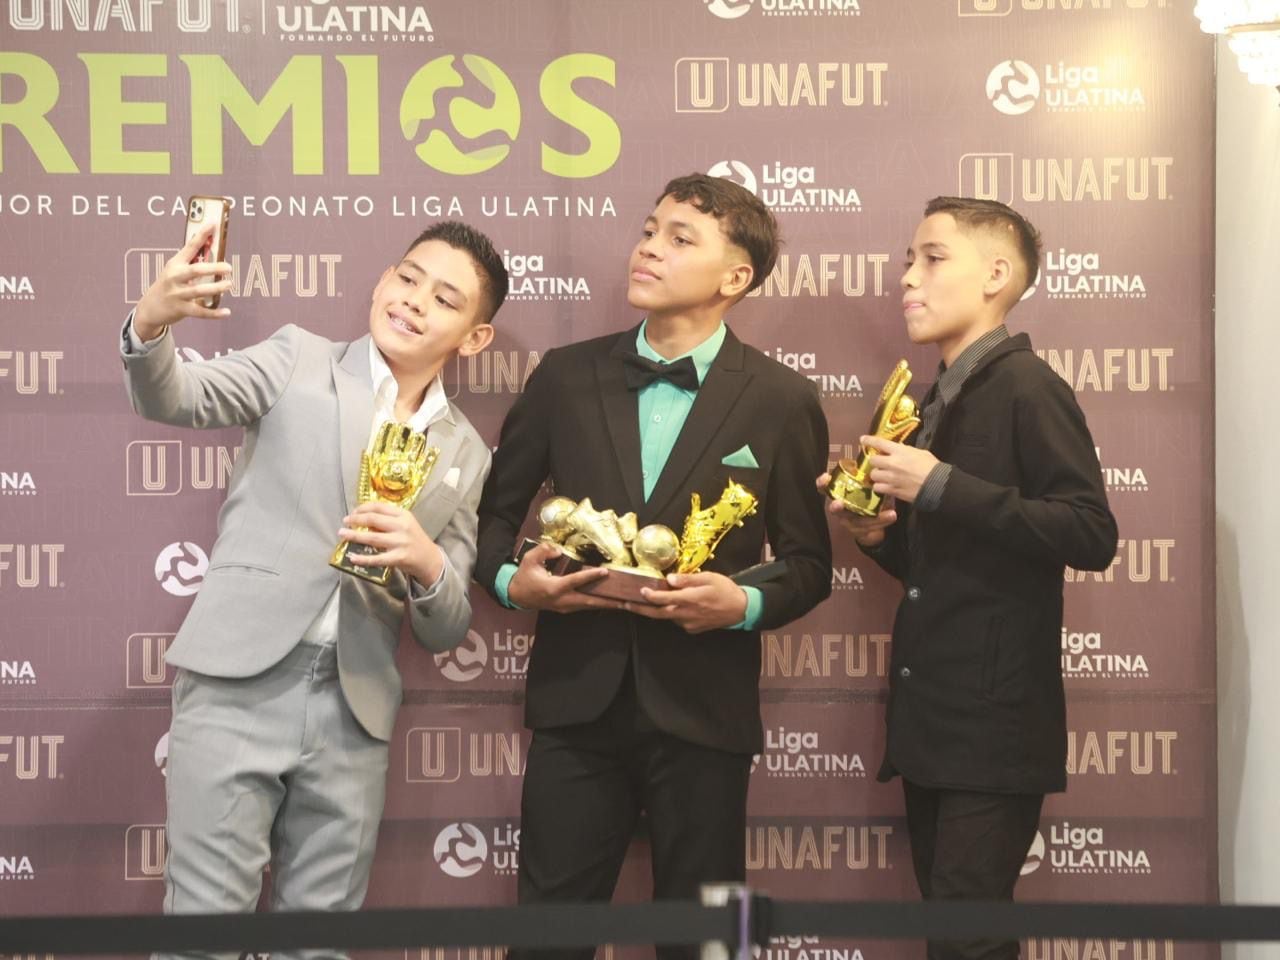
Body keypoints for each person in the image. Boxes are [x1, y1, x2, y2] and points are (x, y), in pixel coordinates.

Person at [121, 219, 506, 958]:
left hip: (353, 709)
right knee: (205, 929)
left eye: (445, 298)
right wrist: (153, 320)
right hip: (239, 682)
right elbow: (175, 397)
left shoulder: (464, 451)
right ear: (383, 279)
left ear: (474, 338)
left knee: (320, 940)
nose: (414, 301)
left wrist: (425, 564)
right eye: (407, 277)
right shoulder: (298, 359)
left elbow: (446, 626)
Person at [475, 173, 832, 960]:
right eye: (648, 229)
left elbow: (809, 565)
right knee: (546, 938)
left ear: (735, 277)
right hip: (577, 703)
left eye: (680, 238)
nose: (649, 248)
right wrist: (512, 582)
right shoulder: (565, 377)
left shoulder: (782, 398)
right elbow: (492, 520)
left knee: (704, 946)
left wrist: (738, 602)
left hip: (706, 712)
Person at [819, 196, 1118, 960]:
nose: (906, 278)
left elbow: (1089, 532)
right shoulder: (933, 399)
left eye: (930, 258)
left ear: (996, 274)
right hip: (934, 723)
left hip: (995, 726)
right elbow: (939, 569)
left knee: (970, 941)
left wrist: (940, 484)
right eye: (907, 260)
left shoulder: (1027, 386)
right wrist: (875, 534)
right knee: (954, 937)